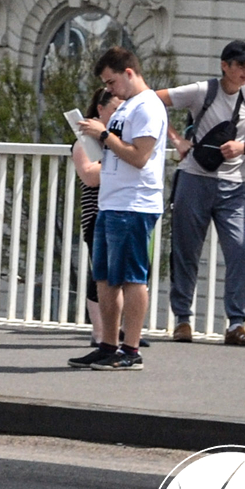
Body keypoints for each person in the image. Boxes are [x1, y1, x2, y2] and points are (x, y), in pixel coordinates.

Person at [157, 40, 245, 347]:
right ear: (224, 66)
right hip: (194, 179)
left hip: (233, 185)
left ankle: (236, 323)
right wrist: (176, 138)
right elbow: (152, 100)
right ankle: (182, 320)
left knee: (240, 250)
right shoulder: (202, 91)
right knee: (186, 251)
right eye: (240, 65)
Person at [72, 46, 164, 370]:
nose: (109, 89)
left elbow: (139, 156)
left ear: (128, 73)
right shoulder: (128, 108)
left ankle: (131, 349)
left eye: (111, 82)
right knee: (105, 279)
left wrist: (105, 135)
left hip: (134, 203)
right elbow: (117, 149)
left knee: (131, 277)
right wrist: (96, 140)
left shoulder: (148, 107)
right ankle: (108, 344)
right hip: (111, 202)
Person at [68, 85, 118, 329]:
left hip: (124, 211)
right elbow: (89, 175)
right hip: (97, 214)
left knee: (128, 272)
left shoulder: (122, 138)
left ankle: (124, 329)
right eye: (115, 109)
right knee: (101, 272)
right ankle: (101, 331)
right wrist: (121, 159)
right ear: (101, 109)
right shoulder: (86, 140)